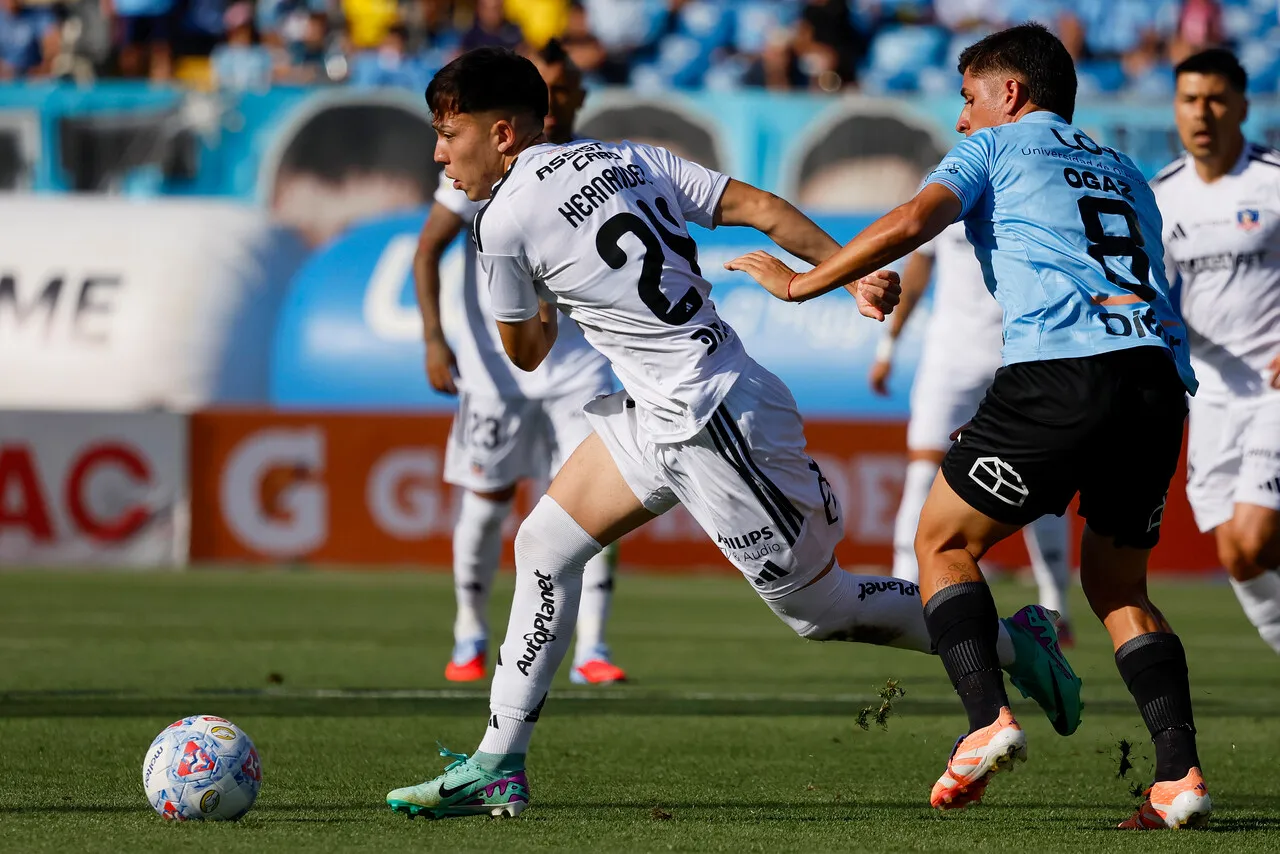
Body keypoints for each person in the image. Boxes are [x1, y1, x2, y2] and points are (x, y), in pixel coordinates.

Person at [385, 45, 1081, 821]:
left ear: (505, 134)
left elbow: (526, 353)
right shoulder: (629, 155)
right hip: (665, 409)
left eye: (451, 134)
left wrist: (541, 295)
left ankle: (1018, 643)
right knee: (544, 545)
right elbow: (758, 208)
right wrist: (848, 272)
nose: (441, 152)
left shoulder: (501, 223)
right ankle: (497, 762)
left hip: (713, 421)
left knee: (819, 609)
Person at [727, 23, 1210, 829]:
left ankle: (987, 720)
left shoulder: (997, 149)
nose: (961, 118)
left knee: (942, 541)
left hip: (1061, 371)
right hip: (1156, 383)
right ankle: (1178, 776)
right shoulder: (1128, 171)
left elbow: (916, 218)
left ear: (1010, 94)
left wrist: (804, 283)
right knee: (1120, 586)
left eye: (967, 97)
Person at [415, 39, 625, 687]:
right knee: (488, 499)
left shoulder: (594, 163)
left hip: (578, 364)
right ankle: (468, 631)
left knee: (597, 501)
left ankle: (592, 647)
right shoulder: (478, 163)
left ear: (578, 98)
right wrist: (433, 337)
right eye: (546, 88)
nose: (555, 100)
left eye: (563, 90)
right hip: (495, 367)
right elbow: (428, 252)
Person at [870, 222, 1074, 643]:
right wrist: (888, 346)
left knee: (1041, 480)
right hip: (951, 359)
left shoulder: (1032, 179)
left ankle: (1057, 606)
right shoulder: (948, 182)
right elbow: (918, 268)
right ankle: (905, 595)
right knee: (923, 473)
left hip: (1021, 356)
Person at [1152, 48, 1280, 653]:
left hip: (1274, 390)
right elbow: (1149, 295)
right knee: (1238, 554)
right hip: (1212, 396)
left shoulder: (1273, 182)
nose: (1201, 112)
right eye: (1188, 99)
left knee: (1254, 540)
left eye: (1215, 99)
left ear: (1242, 108)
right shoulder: (1159, 197)